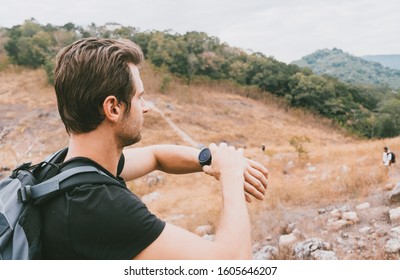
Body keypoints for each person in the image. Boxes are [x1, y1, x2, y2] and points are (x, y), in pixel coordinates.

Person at [40, 38, 268, 260]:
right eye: (139, 97)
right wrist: (231, 175)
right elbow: (232, 263)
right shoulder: (99, 207)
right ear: (113, 108)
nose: (146, 107)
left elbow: (155, 155)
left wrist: (211, 159)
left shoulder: (61, 170)